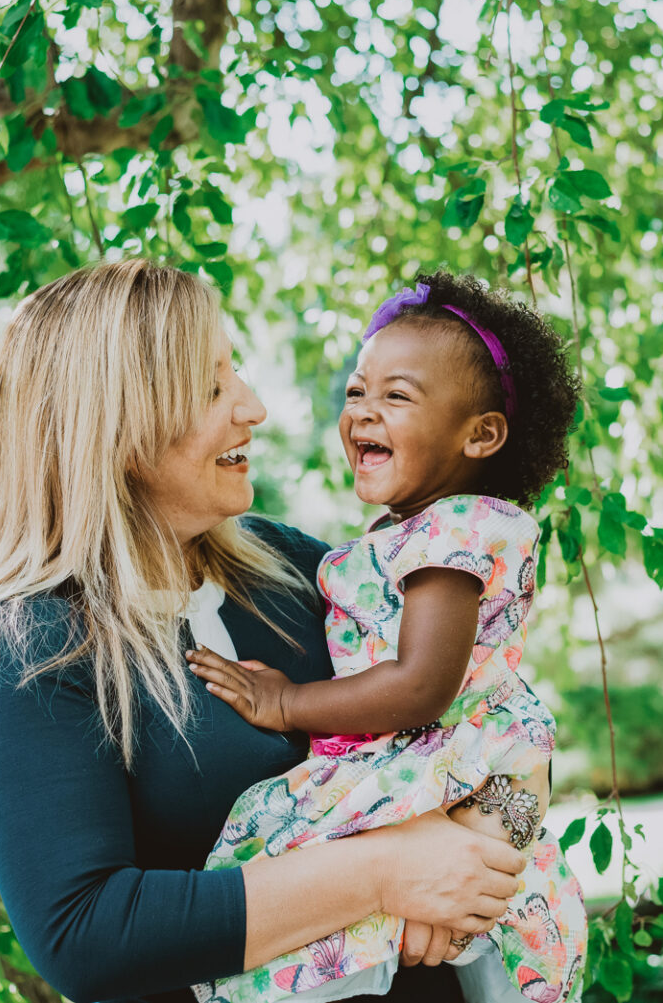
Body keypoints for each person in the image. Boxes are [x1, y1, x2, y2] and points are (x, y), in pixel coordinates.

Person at [0, 260, 528, 1003]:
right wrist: (387, 872)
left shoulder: (298, 569)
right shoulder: (33, 644)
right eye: (212, 388)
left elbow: (495, 705)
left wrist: (482, 851)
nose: (254, 408)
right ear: (116, 424)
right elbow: (85, 937)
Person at [184, 273, 587, 1003]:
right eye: (356, 392)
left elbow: (420, 686)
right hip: (449, 765)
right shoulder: (406, 536)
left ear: (481, 433)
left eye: (396, 396)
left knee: (276, 842)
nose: (364, 412)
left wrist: (289, 701)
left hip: (456, 763)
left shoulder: (452, 537)